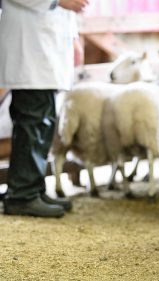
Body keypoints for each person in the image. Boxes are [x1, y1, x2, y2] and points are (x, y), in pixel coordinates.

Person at [0, 0, 89, 218]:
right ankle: (22, 195)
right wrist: (57, 1)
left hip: (47, 44)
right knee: (33, 123)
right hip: (29, 44)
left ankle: (33, 188)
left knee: (43, 122)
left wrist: (73, 36)